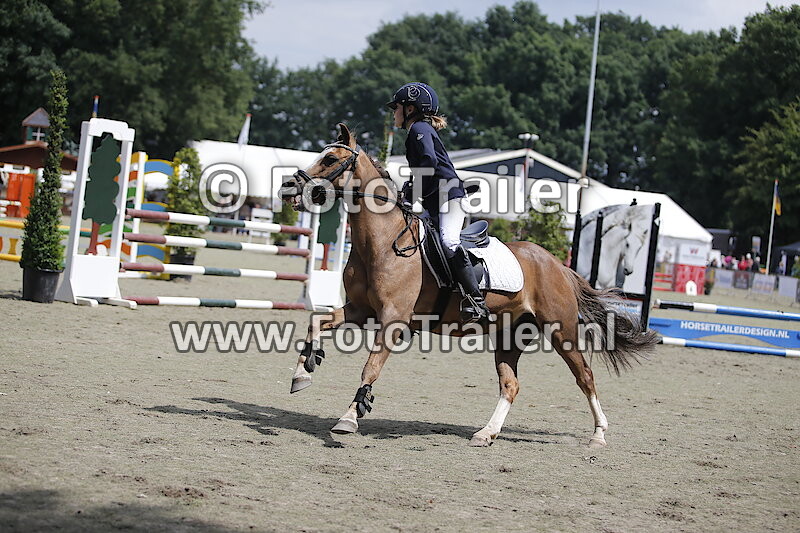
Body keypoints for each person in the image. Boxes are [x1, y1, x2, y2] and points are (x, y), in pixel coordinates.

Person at [386, 82, 489, 323]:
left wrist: (412, 195)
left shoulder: (418, 128)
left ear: (410, 109)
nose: (394, 113)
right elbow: (422, 168)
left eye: (397, 108)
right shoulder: (418, 129)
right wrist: (409, 192)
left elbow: (429, 163)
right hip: (435, 202)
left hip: (449, 198)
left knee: (449, 241)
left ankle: (477, 300)